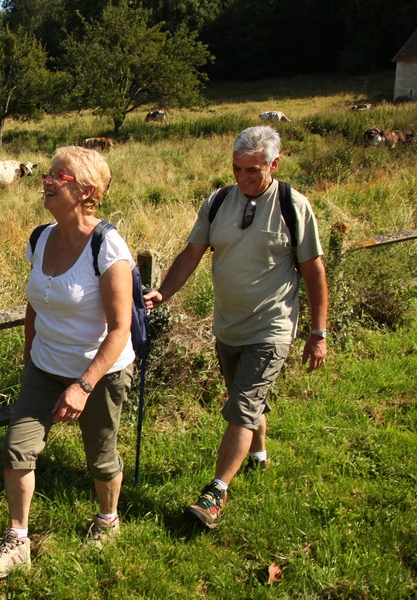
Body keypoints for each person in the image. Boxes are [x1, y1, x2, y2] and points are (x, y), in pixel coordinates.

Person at [144, 125, 328, 529]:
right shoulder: (219, 201)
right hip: (228, 328)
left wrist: (318, 332)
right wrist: (163, 293)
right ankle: (257, 454)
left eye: (252, 171)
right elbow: (192, 254)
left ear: (274, 165)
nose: (243, 179)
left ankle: (215, 493)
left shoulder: (293, 206)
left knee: (241, 405)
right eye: (236, 169)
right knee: (243, 396)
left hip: (272, 326)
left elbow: (314, 270)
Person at [0, 146, 136, 578]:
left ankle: (107, 519)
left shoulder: (107, 246)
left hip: (101, 370)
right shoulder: (40, 237)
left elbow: (120, 329)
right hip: (45, 366)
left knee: (101, 456)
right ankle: (17, 542)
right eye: (48, 173)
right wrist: (31, 359)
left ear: (86, 191)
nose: (47, 181)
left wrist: (83, 385)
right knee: (17, 447)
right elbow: (35, 307)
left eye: (59, 177)